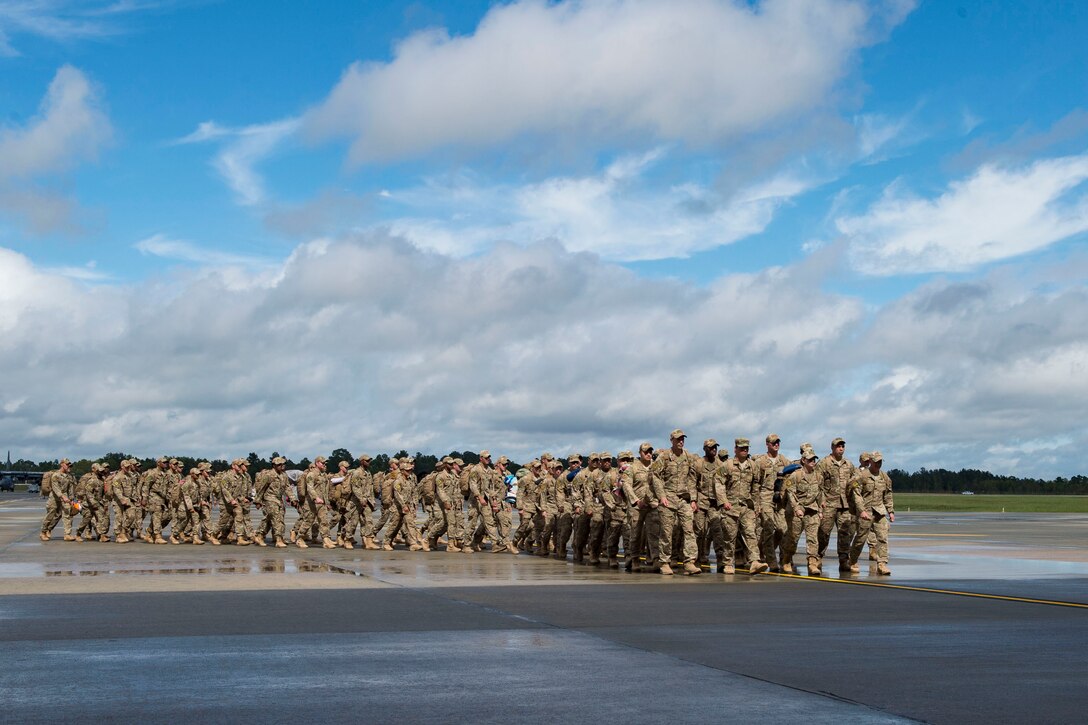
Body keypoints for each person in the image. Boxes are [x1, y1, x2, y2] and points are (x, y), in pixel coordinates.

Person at [649, 430, 701, 576]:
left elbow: (692, 478)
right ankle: (664, 562)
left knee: (689, 530)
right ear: (671, 440)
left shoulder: (688, 457)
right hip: (668, 498)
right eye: (678, 439)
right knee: (667, 531)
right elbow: (656, 477)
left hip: (684, 499)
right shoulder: (664, 457)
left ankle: (689, 562)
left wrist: (693, 499)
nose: (681, 441)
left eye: (682, 439)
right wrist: (661, 496)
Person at [721, 439, 770, 575]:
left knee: (750, 533)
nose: (745, 450)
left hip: (746, 506)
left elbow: (755, 487)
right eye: (742, 448)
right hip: (730, 506)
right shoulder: (727, 465)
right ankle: (728, 563)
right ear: (735, 449)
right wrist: (724, 501)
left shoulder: (753, 466)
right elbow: (719, 484)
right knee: (730, 537)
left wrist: (756, 506)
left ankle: (754, 561)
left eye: (746, 448)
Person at [816, 437, 857, 573]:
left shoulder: (849, 464)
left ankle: (844, 561)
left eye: (842, 446)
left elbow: (856, 479)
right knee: (824, 532)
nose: (841, 448)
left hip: (845, 505)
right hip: (828, 503)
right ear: (832, 448)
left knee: (845, 533)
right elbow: (817, 484)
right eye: (838, 446)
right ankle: (818, 557)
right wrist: (820, 500)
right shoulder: (824, 463)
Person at [850, 451, 894, 575]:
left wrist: (890, 511)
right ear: (871, 462)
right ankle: (852, 561)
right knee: (861, 538)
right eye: (876, 462)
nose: (879, 464)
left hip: (880, 511)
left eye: (880, 461)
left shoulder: (885, 477)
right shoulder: (862, 476)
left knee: (882, 538)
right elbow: (857, 495)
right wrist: (861, 511)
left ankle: (882, 564)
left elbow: (888, 495)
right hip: (866, 512)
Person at [785, 446, 825, 576]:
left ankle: (812, 563)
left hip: (812, 510)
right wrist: (796, 508)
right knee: (793, 538)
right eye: (810, 459)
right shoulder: (795, 476)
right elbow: (790, 493)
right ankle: (786, 559)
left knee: (813, 539)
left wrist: (820, 509)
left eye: (814, 459)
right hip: (798, 510)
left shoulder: (818, 477)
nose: (813, 461)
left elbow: (820, 493)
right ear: (803, 460)